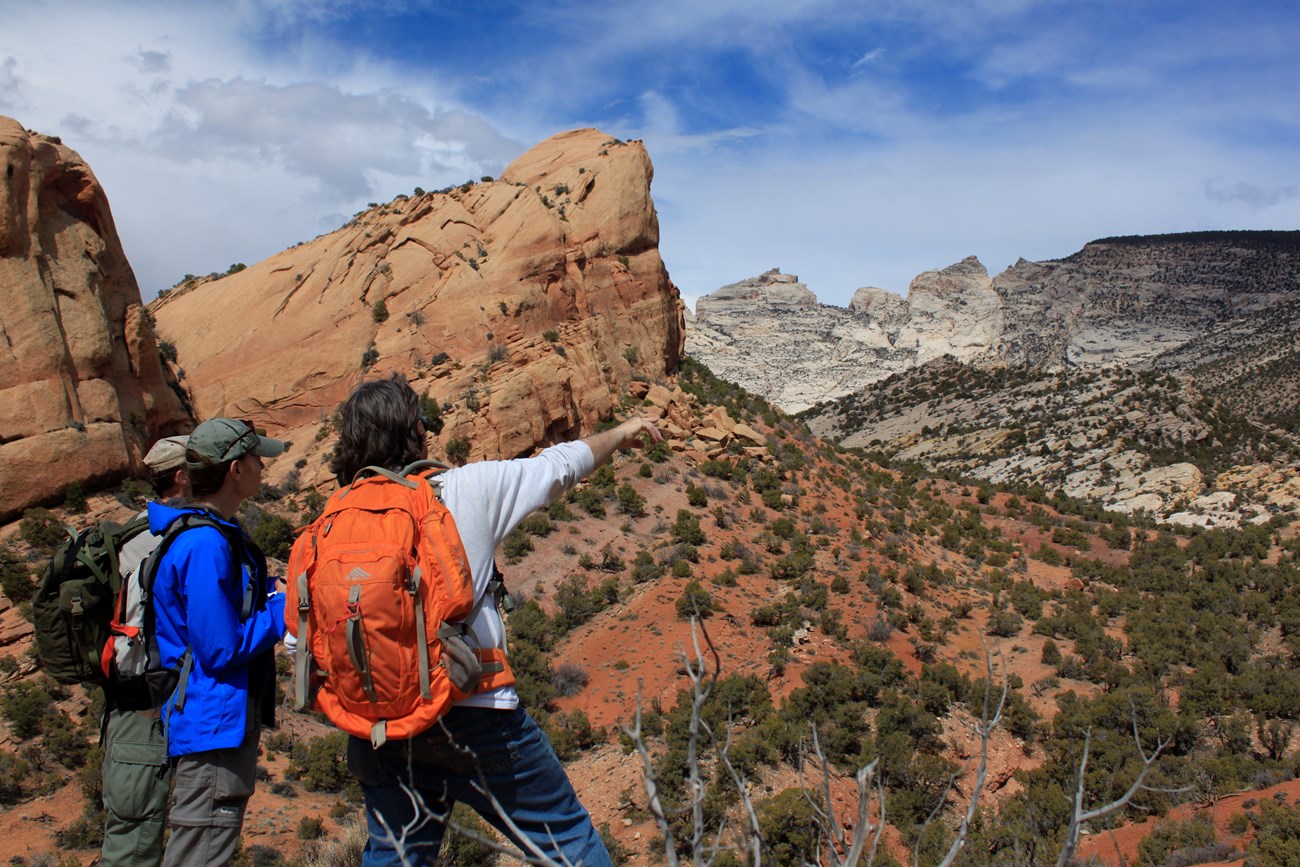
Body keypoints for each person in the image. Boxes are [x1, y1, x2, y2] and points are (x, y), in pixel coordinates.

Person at [330, 374, 661, 867]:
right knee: (567, 840)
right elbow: (560, 466)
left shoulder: (331, 521)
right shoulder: (463, 489)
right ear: (416, 434)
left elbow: (299, 642)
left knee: (394, 856)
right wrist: (622, 431)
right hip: (475, 712)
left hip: (379, 726)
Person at [148, 418, 288, 867]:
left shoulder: (209, 534)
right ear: (235, 470)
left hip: (216, 723)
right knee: (202, 853)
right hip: (212, 726)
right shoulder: (206, 544)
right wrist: (284, 608)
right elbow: (220, 648)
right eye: (255, 458)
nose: (262, 465)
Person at [100, 435, 190, 867]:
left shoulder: (137, 530)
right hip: (146, 711)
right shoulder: (158, 539)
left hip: (131, 710)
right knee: (135, 844)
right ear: (181, 476)